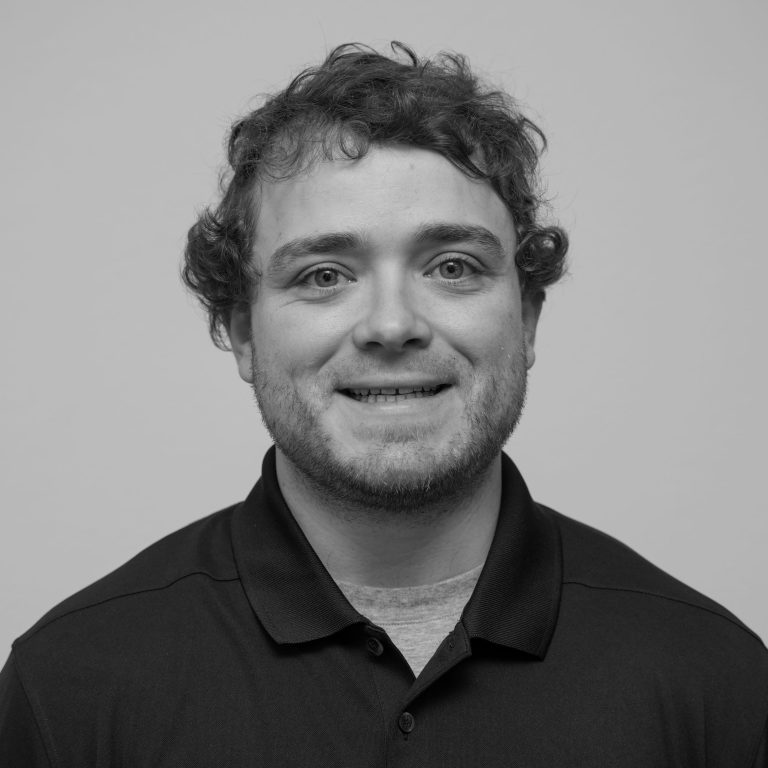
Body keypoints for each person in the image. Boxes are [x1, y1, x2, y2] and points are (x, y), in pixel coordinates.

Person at [1, 42, 766, 766]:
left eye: (453, 266)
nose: (392, 325)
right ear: (243, 334)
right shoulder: (68, 688)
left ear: (528, 319)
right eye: (324, 275)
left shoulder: (716, 681)